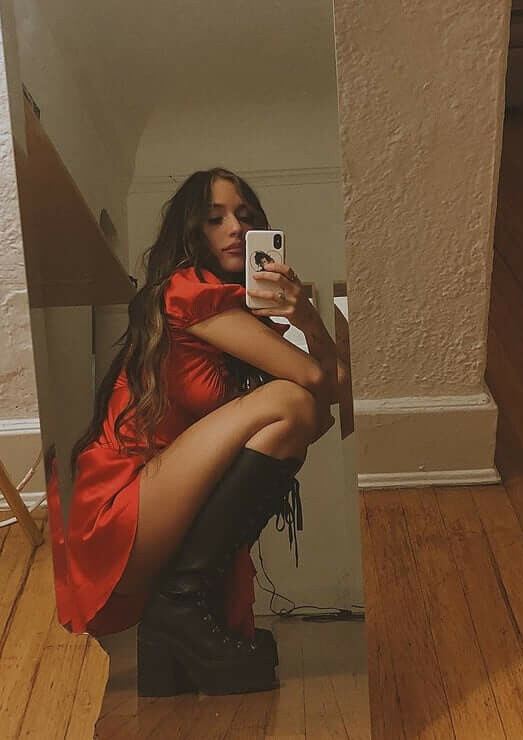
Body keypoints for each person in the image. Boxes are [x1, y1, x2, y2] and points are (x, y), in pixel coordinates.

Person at [44, 167, 350, 696]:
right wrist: (307, 323)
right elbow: (313, 379)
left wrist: (309, 320)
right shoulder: (188, 291)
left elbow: (334, 394)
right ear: (191, 231)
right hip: (122, 507)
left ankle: (176, 623)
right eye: (215, 218)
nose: (235, 227)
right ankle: (179, 603)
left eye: (245, 217)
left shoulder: (240, 315)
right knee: (291, 402)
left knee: (302, 414)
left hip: (165, 504)